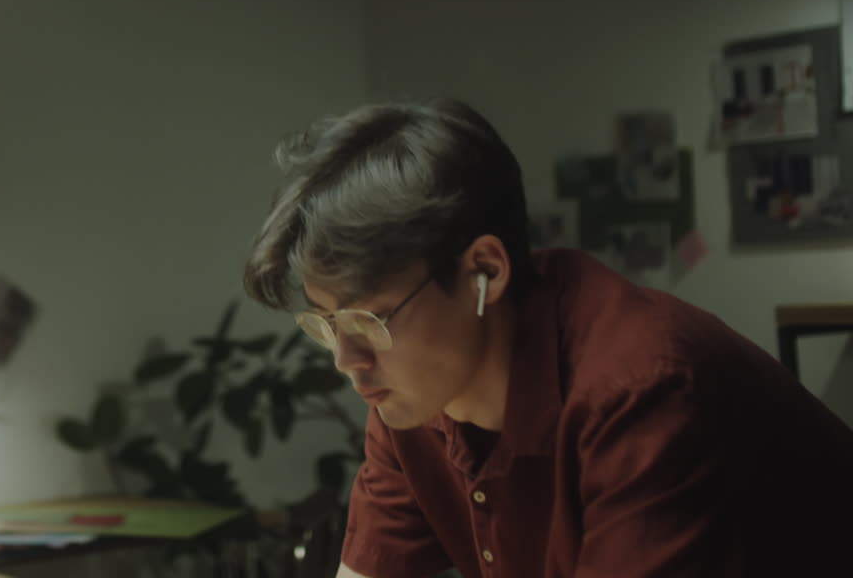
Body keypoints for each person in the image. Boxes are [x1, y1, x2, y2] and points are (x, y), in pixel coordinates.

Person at [242, 101, 853, 578]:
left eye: (369, 320)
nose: (348, 362)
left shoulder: (640, 390)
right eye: (328, 324)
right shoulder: (411, 399)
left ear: (485, 270)